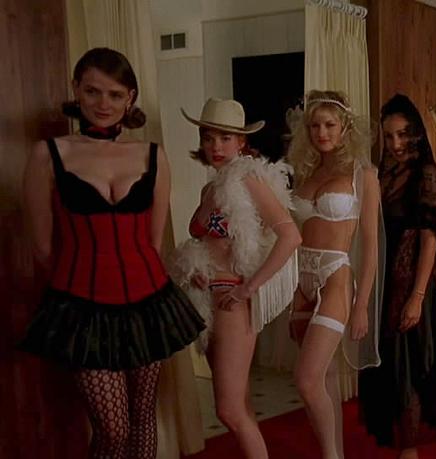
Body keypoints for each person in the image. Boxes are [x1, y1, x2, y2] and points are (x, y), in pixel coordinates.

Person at [19, 47, 204, 458]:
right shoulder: (48, 155)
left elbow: (153, 242)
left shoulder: (152, 155)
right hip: (82, 306)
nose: (104, 104)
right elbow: (43, 249)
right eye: (93, 91)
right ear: (76, 90)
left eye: (115, 94)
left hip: (148, 302)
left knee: (142, 417)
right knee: (113, 430)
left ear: (130, 98)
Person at [169, 98, 301, 458]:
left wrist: (249, 287)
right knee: (239, 404)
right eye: (209, 137)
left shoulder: (249, 179)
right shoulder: (209, 189)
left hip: (232, 300)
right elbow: (205, 241)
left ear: (241, 142)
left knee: (228, 410)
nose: (216, 146)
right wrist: (196, 269)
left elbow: (290, 236)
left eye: (225, 138)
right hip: (207, 297)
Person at [287, 90, 382, 459]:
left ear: (345, 128)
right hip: (302, 277)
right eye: (314, 126)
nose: (321, 132)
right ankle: (335, 452)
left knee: (306, 380)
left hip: (335, 276)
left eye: (329, 125)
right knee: (322, 379)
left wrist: (362, 306)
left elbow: (370, 246)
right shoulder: (306, 172)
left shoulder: (364, 176)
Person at [360, 94, 436, 459]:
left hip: (413, 283)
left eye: (402, 134)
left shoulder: (424, 173)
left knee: (408, 364)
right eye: (389, 136)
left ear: (416, 134)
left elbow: (430, 238)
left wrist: (417, 295)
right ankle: (400, 441)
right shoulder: (383, 173)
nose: (395, 143)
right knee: (388, 362)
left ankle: (410, 448)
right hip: (384, 280)